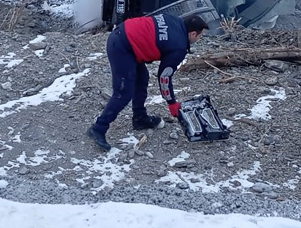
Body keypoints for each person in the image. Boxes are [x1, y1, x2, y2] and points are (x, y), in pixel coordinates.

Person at [86, 12, 209, 151]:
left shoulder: (174, 19)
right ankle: (98, 129)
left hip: (125, 36)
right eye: (201, 35)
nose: (200, 38)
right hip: (122, 47)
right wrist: (171, 102)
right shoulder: (179, 47)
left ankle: (139, 118)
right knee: (123, 93)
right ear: (193, 34)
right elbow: (164, 76)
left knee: (142, 78)